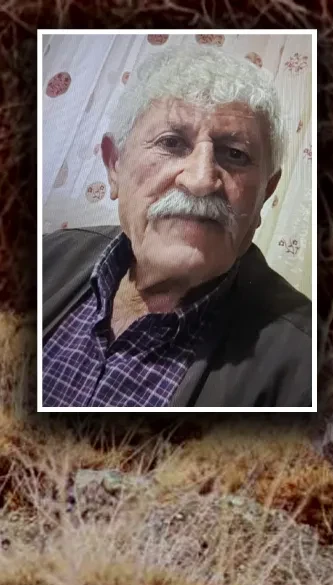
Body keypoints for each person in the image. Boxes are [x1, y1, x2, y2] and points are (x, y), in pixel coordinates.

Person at [41, 45, 312, 409]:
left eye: (235, 154)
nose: (201, 181)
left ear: (266, 193)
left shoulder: (308, 365)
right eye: (171, 143)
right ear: (114, 166)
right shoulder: (46, 259)